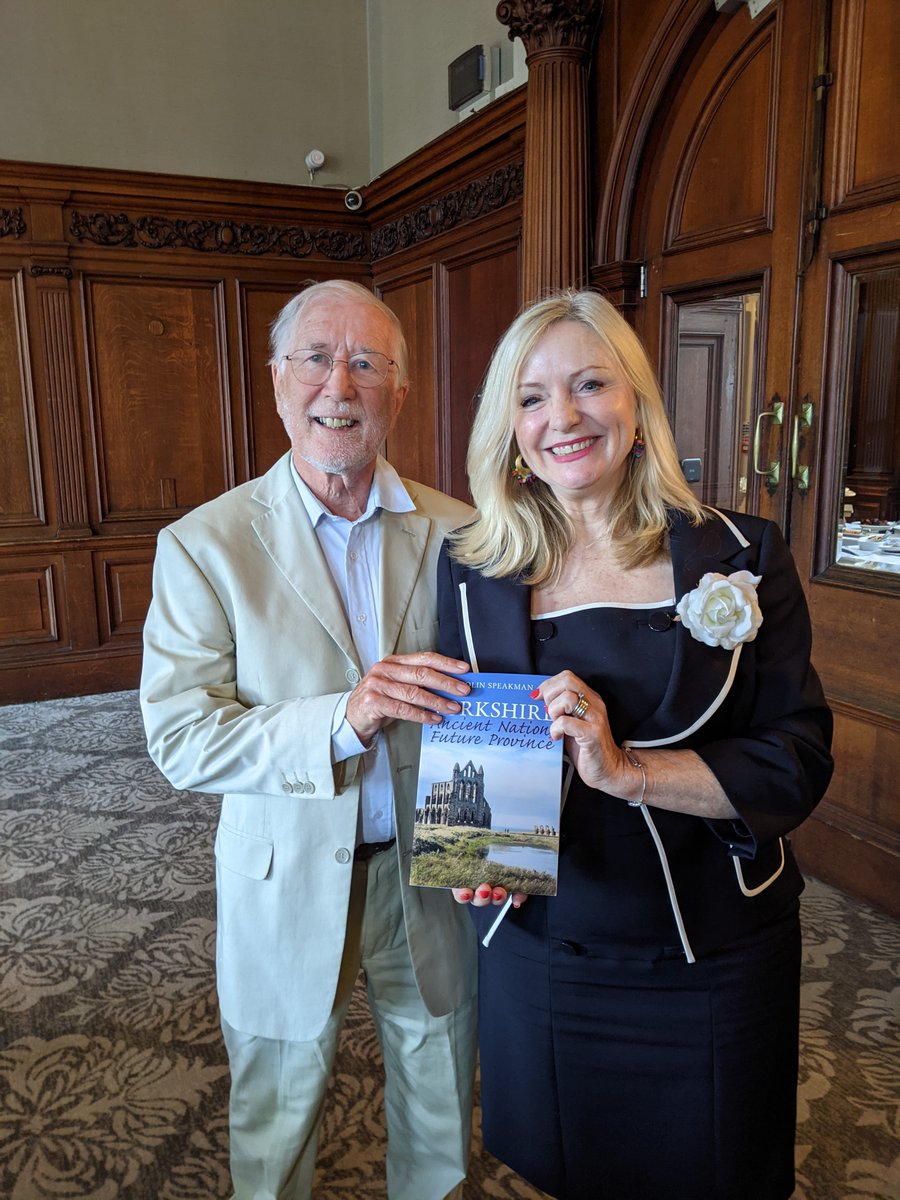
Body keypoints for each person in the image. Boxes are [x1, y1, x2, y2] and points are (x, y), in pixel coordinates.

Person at [438, 289, 834, 1200]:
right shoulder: (472, 565)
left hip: (711, 949)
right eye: (532, 398)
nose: (562, 418)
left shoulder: (741, 555)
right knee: (564, 1166)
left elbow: (797, 757)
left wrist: (627, 771)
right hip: (541, 947)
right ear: (508, 427)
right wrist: (477, 853)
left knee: (718, 1171)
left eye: (589, 385)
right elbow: (479, 741)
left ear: (639, 403)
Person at [140, 279, 478, 1200]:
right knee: (278, 1107)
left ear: (398, 393)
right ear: (279, 383)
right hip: (283, 870)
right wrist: (343, 716)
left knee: (440, 1084)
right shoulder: (204, 545)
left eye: (367, 363)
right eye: (318, 359)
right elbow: (180, 737)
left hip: (431, 863)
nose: (342, 382)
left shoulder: (465, 534)